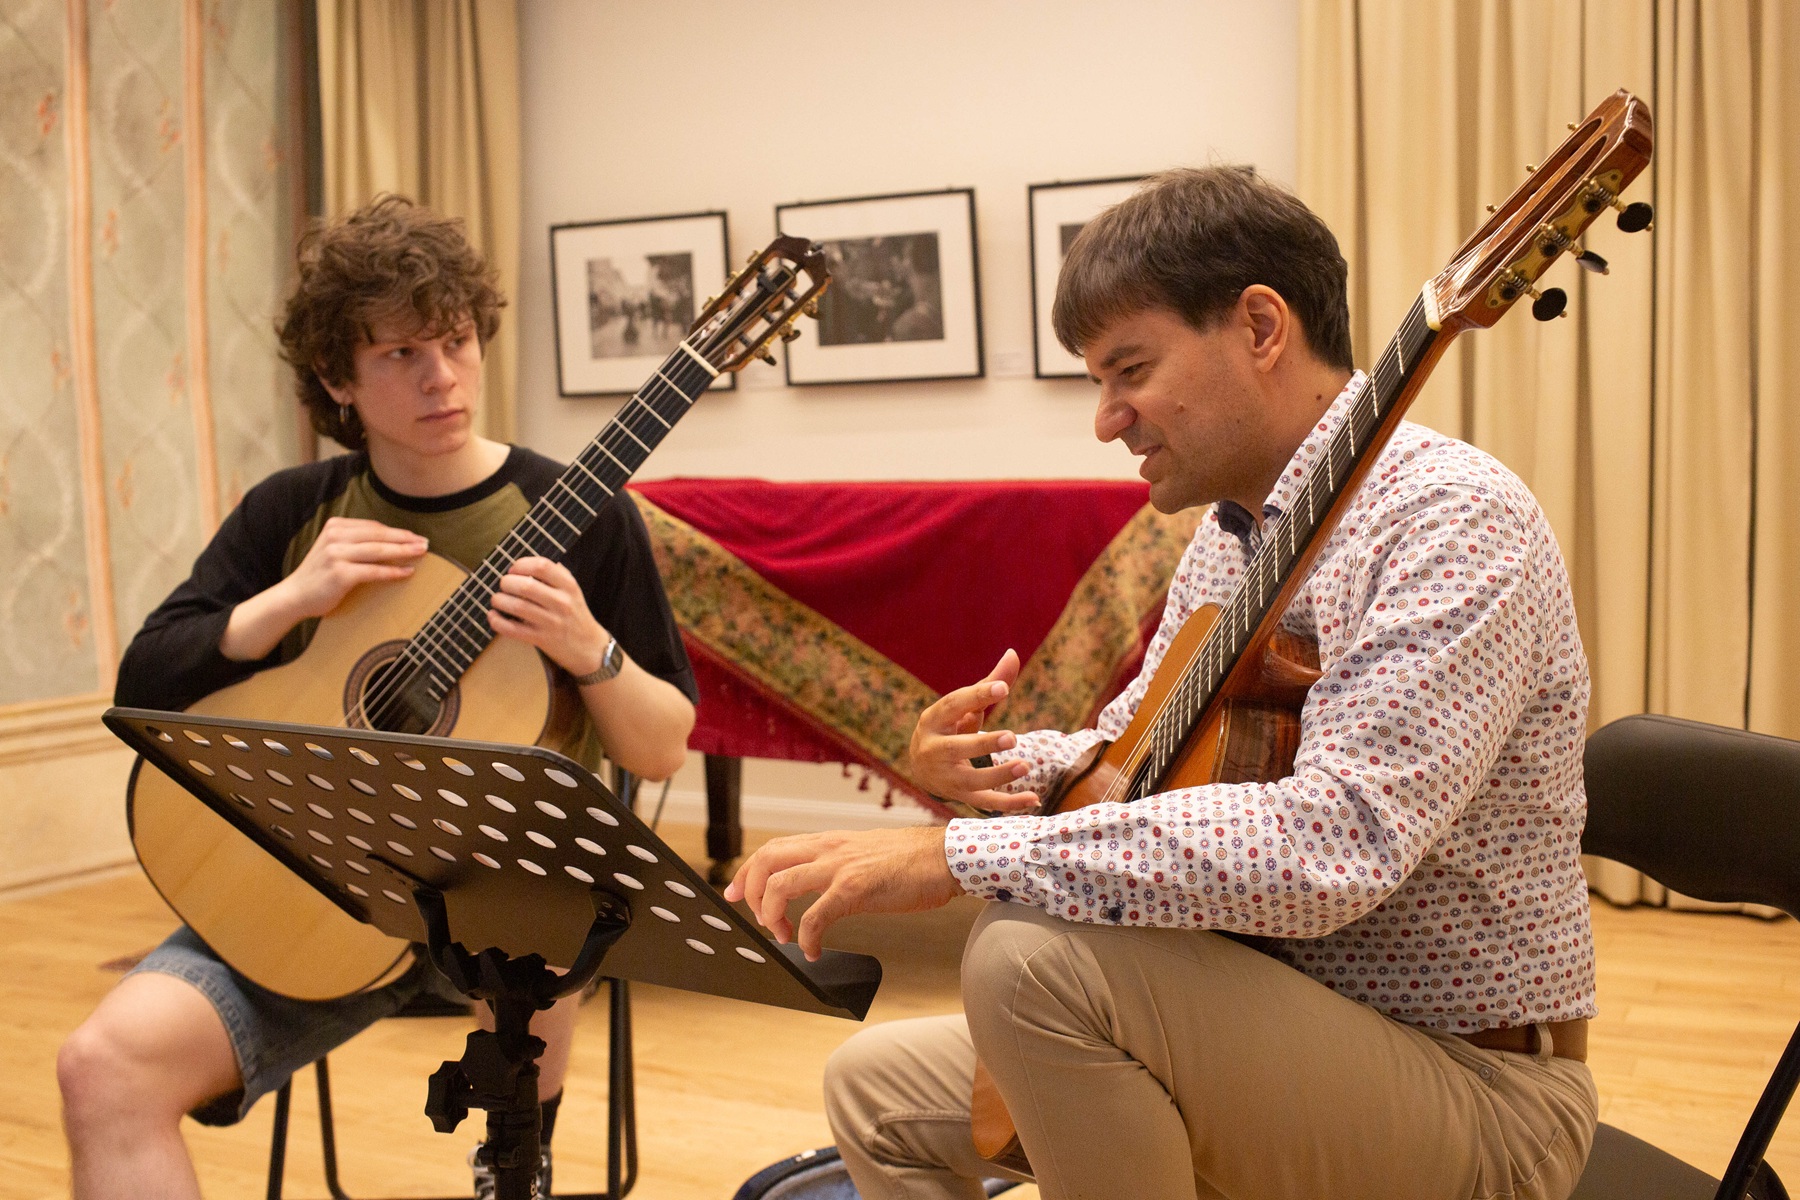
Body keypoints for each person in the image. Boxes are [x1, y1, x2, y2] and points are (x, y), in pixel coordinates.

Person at [726, 167, 1599, 1200]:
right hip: (1267, 1007)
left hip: (1478, 1088)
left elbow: (1341, 841)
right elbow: (1140, 758)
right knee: (872, 1086)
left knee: (1027, 962)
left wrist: (956, 856)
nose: (1108, 420)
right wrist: (1000, 764)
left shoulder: (1451, 519)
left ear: (1261, 328)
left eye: (1129, 370)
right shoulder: (1233, 535)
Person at [57, 196, 698, 1200]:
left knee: (541, 912)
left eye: (455, 341)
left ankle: (513, 1163)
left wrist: (589, 649)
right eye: (401, 353)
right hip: (315, 893)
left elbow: (660, 750)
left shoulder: (581, 516)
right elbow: (147, 682)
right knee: (99, 1071)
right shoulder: (295, 511)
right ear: (336, 378)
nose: (442, 376)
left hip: (501, 919)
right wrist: (288, 601)